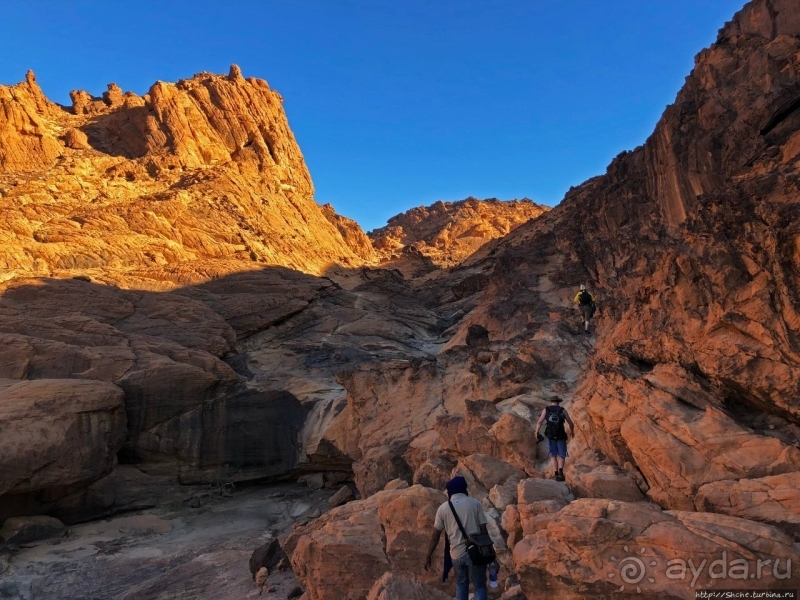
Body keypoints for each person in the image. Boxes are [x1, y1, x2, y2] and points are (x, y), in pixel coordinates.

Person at [424, 476, 489, 600]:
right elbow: (484, 530)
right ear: (464, 488)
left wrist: (428, 556)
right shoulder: (475, 503)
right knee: (479, 585)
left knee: (461, 584)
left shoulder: (443, 509)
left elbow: (434, 536)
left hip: (456, 555)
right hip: (476, 554)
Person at [535, 396, 574, 481]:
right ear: (559, 402)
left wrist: (536, 432)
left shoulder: (546, 410)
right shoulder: (562, 410)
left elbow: (539, 422)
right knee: (561, 455)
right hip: (561, 435)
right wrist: (572, 431)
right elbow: (570, 423)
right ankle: (561, 473)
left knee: (553, 456)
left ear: (551, 401)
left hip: (550, 435)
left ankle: (555, 474)